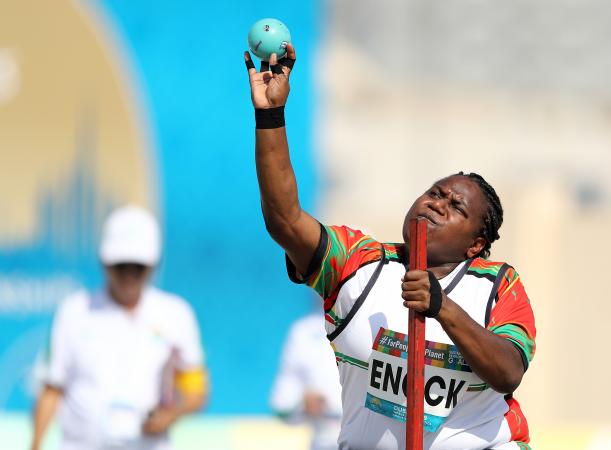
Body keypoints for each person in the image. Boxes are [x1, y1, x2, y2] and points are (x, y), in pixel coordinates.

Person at [244, 46, 536, 449]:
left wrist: (442, 308)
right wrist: (270, 116)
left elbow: (508, 371)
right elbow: (286, 220)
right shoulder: (358, 260)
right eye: (435, 193)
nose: (437, 203)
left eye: (455, 208)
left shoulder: (497, 284)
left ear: (476, 244)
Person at [30, 206, 208, 450]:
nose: (129, 275)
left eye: (138, 267)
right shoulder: (74, 311)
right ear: (104, 263)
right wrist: (36, 444)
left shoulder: (176, 314)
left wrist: (170, 414)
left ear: (153, 265)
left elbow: (196, 390)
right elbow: (52, 387)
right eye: (120, 266)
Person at [270, 311, 343, 450]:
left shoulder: (388, 323)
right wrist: (303, 403)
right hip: (324, 442)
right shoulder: (303, 331)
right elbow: (281, 406)